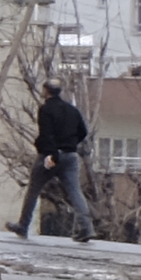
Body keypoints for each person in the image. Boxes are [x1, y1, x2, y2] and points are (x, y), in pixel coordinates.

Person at [24, 82, 91, 242]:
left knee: (33, 190)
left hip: (50, 156)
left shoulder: (46, 109)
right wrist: (71, 144)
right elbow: (83, 131)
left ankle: (23, 225)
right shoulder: (72, 110)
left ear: (46, 91)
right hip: (71, 155)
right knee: (75, 192)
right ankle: (86, 228)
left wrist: (52, 154)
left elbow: (46, 134)